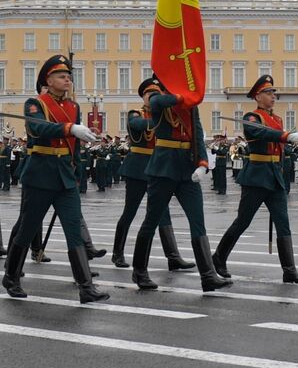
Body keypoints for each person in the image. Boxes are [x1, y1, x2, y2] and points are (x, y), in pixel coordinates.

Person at [2, 55, 108, 303]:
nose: (67, 79)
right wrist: (70, 128)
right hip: (40, 174)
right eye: (61, 76)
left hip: (65, 177)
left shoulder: (74, 107)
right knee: (27, 229)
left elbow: (73, 146)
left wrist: (78, 163)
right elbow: (38, 128)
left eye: (69, 76)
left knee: (73, 231)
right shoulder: (35, 103)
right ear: (48, 80)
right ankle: (11, 276)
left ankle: (86, 287)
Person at [128, 73, 230, 293]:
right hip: (164, 168)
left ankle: (208, 275)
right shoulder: (162, 98)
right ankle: (139, 271)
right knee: (151, 220)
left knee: (197, 221)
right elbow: (156, 102)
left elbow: (198, 134)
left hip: (187, 168)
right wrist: (183, 96)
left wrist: (203, 163)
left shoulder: (190, 105)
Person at [212, 75, 298, 285]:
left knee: (283, 223)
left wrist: (287, 142)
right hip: (257, 176)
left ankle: (290, 270)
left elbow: (278, 144)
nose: (273, 96)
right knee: (243, 222)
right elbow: (257, 131)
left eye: (273, 93)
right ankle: (218, 258)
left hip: (274, 176)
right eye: (268, 93)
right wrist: (285, 136)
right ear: (258, 96)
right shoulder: (251, 117)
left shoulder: (277, 119)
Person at [111, 77, 194, 272]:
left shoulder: (167, 114)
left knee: (163, 214)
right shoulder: (135, 113)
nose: (154, 96)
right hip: (137, 169)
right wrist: (158, 120)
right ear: (144, 97)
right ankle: (118, 253)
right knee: (130, 212)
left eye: (157, 93)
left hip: (158, 168)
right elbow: (138, 124)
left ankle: (173, 257)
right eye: (150, 94)